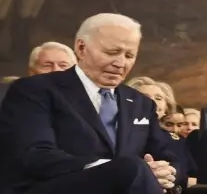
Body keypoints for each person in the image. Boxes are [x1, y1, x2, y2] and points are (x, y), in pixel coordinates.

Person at [0, 13, 180, 193]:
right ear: (81, 48)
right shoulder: (35, 90)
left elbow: (172, 157)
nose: (120, 63)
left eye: (129, 55)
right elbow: (34, 155)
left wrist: (166, 172)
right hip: (54, 187)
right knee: (133, 169)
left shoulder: (141, 103)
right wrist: (115, 169)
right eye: (112, 52)